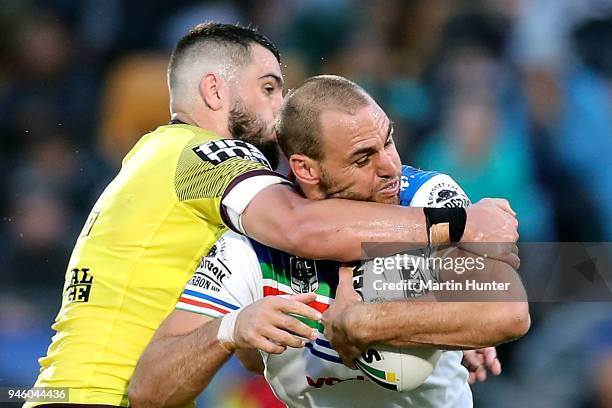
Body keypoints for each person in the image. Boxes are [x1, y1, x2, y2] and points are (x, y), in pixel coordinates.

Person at [26, 22, 517, 407]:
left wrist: (428, 325)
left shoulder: (421, 190)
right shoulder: (202, 160)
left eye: (387, 141)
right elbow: (301, 228)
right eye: (269, 88)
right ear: (216, 93)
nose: (282, 107)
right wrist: (460, 227)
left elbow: (507, 310)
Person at [128, 76, 529, 408]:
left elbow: (508, 312)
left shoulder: (424, 199)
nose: (390, 167)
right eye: (362, 158)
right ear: (306, 168)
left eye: (388, 141)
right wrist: (231, 328)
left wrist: (367, 323)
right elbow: (148, 390)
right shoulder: (250, 249)